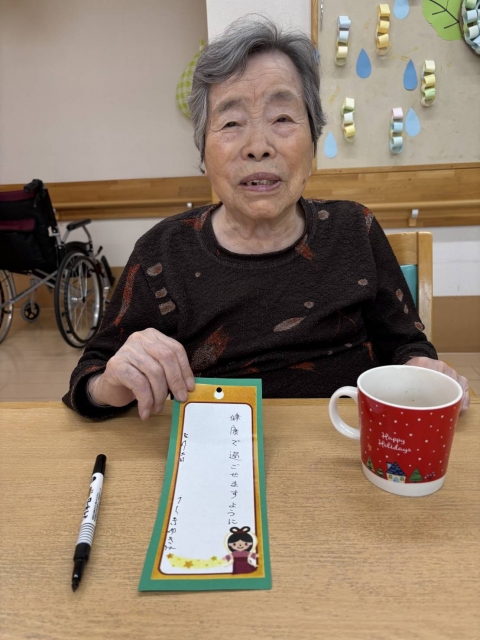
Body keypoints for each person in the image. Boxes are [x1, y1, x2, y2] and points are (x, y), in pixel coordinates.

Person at [63, 16, 469, 421]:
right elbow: (90, 379)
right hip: (217, 449)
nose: (258, 146)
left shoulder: (354, 229)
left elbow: (407, 347)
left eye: (282, 119)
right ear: (203, 152)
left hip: (345, 442)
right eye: (231, 123)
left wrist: (420, 368)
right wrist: (110, 384)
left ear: (313, 140)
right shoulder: (163, 253)